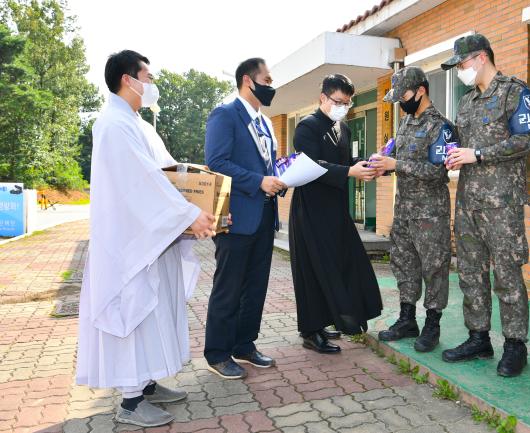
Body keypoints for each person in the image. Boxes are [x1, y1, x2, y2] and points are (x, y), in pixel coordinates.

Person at [76, 50, 217, 428]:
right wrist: (190, 215)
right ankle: (130, 402)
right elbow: (143, 183)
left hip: (153, 241)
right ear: (128, 79)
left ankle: (148, 383)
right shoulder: (113, 124)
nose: (152, 84)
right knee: (135, 314)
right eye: (148, 76)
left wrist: (204, 202)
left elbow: (171, 175)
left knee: (155, 312)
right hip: (130, 245)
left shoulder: (138, 124)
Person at [441, 34, 530, 377]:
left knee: (508, 274)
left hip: (502, 205)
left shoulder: (515, 92)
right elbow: (463, 147)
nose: (460, 71)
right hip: (468, 202)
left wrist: (478, 154)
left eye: (463, 64)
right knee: (470, 273)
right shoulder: (467, 102)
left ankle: (515, 345)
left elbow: (527, 141)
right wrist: (455, 158)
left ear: (481, 57)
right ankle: (478, 337)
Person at [204, 58, 286, 379]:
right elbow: (217, 162)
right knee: (229, 287)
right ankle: (218, 353)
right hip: (236, 217)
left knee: (255, 286)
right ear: (248, 81)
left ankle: (244, 345)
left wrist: (279, 177)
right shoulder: (225, 115)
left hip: (264, 216)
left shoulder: (264, 123)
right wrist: (258, 181)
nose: (271, 85)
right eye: (267, 79)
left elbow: (265, 165)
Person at [289, 74, 383, 354]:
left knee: (342, 263)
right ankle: (310, 330)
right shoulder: (307, 127)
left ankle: (331, 318)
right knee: (312, 268)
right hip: (312, 208)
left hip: (337, 209)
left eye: (347, 102)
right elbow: (312, 166)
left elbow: (344, 162)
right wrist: (348, 171)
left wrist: (362, 166)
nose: (343, 106)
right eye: (338, 101)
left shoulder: (344, 129)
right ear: (323, 98)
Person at [371, 66, 454, 353]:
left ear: (421, 91)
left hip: (430, 213)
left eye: (404, 95)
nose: (401, 103)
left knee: (434, 268)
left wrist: (398, 165)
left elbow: (439, 171)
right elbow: (394, 155)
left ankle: (433, 323)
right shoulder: (406, 123)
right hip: (404, 210)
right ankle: (408, 318)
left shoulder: (441, 126)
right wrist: (381, 161)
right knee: (404, 265)